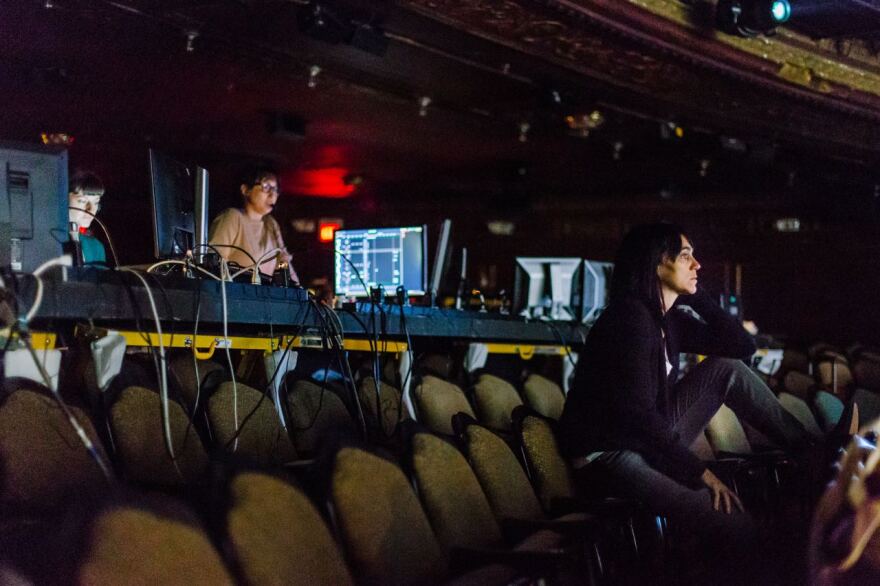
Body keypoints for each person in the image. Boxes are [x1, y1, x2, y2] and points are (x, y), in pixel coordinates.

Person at [558, 223, 813, 576]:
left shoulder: (667, 320)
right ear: (656, 264)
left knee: (726, 368)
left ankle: (814, 455)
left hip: (643, 439)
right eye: (686, 256)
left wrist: (697, 296)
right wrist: (702, 474)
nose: (698, 265)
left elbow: (743, 347)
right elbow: (639, 419)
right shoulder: (629, 320)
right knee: (734, 523)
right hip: (608, 455)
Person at [208, 165, 299, 283]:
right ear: (245, 190)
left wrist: (302, 294)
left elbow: (284, 263)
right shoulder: (232, 217)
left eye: (275, 189)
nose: (273, 195)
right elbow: (214, 262)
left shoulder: (270, 223)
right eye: (266, 187)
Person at [68, 171, 107, 266]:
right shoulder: (49, 242)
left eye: (96, 202)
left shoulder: (96, 247)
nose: (90, 209)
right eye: (82, 201)